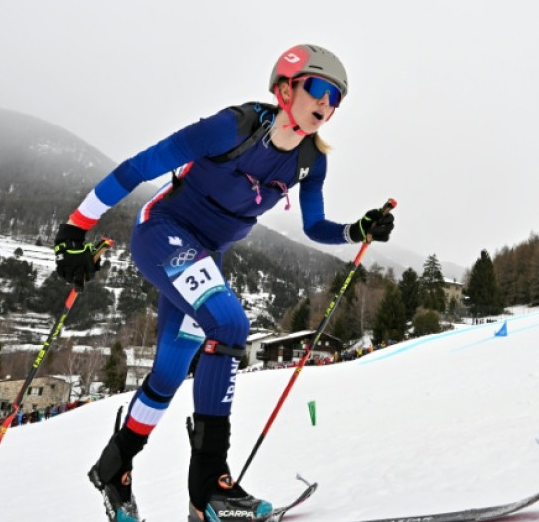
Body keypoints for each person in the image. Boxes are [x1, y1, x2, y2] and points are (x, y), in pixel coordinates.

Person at [53, 44, 394, 522]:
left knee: (170, 374)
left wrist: (355, 231)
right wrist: (75, 227)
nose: (327, 103)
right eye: (319, 88)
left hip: (204, 256)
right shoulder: (233, 127)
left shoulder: (311, 161)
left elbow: (315, 227)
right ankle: (211, 488)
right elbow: (138, 167)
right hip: (163, 233)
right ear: (285, 88)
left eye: (337, 98)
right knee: (230, 324)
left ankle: (114, 468)